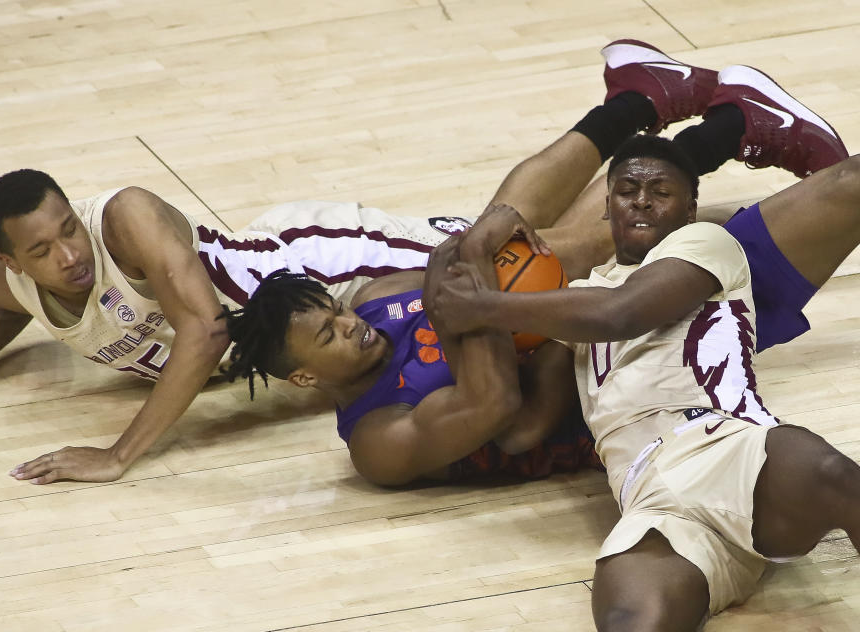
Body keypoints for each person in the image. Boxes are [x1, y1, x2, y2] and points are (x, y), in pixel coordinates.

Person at [222, 43, 852, 488]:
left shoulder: (377, 301)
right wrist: (474, 292)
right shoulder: (377, 442)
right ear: (305, 378)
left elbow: (490, 262)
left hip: (603, 304)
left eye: (336, 312)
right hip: (646, 376)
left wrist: (482, 248)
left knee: (526, 237)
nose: (350, 325)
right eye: (329, 335)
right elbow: (507, 416)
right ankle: (694, 111)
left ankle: (719, 120)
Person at [425, 134, 860, 628]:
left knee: (832, 473)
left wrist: (484, 307)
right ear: (607, 208)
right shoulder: (577, 304)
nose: (642, 200)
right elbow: (520, 429)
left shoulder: (707, 244)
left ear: (690, 208)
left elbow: (622, 313)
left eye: (661, 191)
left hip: (726, 443)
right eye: (627, 189)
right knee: (629, 620)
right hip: (648, 497)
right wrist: (461, 293)